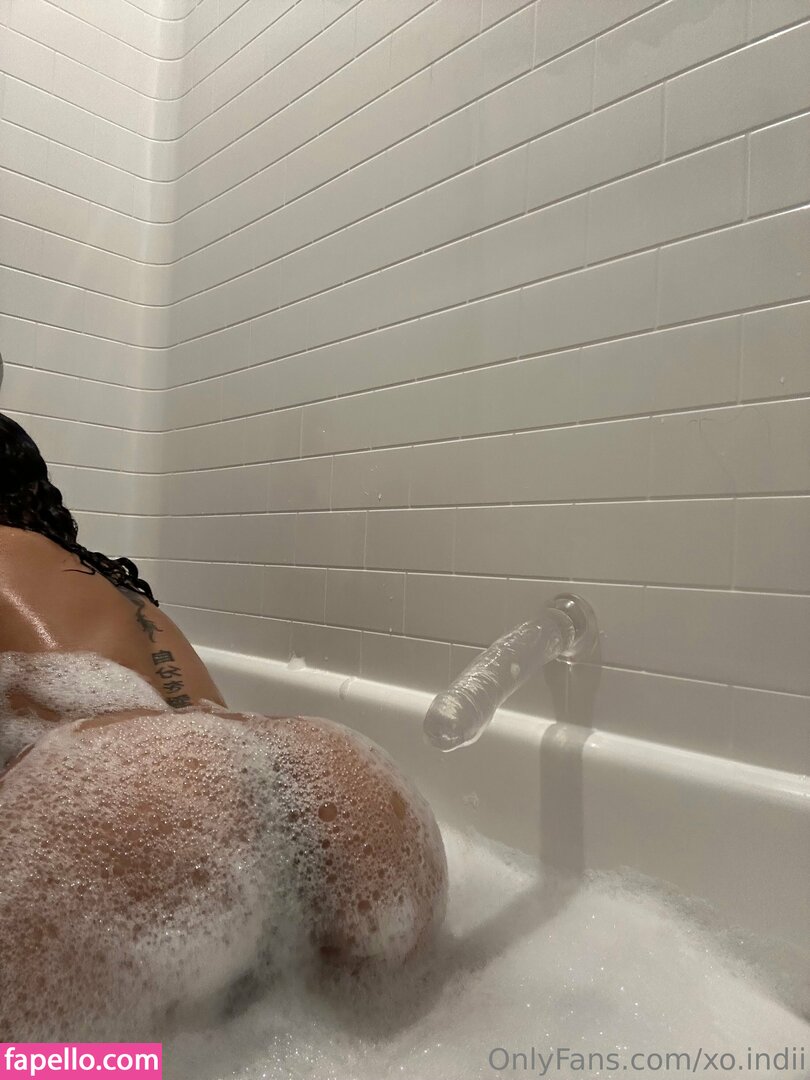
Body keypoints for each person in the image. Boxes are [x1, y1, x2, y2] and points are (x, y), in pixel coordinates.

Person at [0, 412, 447, 1037]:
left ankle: (153, 1070)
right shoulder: (111, 584)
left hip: (126, 804)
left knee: (48, 1069)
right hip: (339, 783)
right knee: (350, 1046)